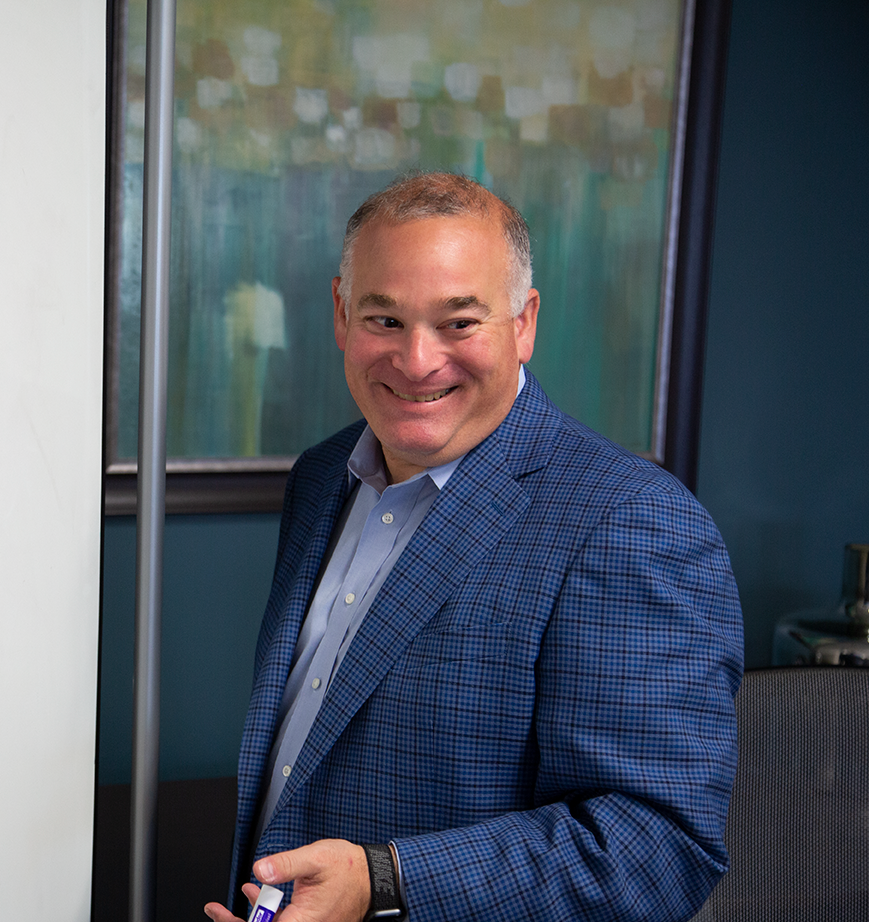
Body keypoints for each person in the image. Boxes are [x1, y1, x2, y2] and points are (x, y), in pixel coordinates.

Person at [203, 172, 743, 922]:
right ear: (339, 313)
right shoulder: (322, 477)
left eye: (459, 323)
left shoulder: (632, 522)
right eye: (384, 320)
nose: (418, 361)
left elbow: (657, 848)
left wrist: (384, 882)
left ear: (523, 324)